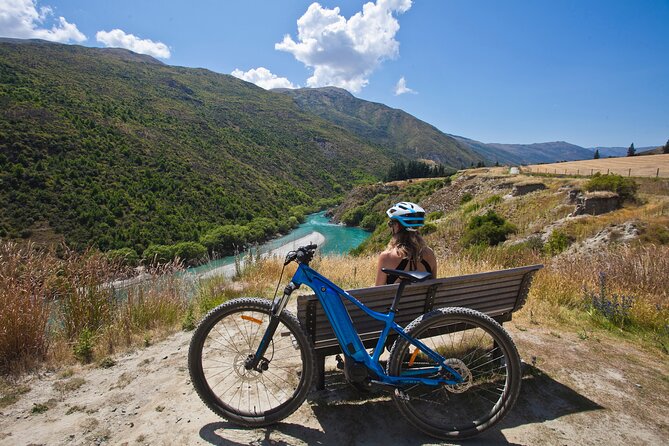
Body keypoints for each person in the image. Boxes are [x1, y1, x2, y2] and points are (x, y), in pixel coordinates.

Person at [375, 202, 437, 286]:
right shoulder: (430, 254)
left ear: (396, 226)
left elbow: (379, 292)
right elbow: (433, 286)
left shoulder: (386, 257)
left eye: (391, 224)